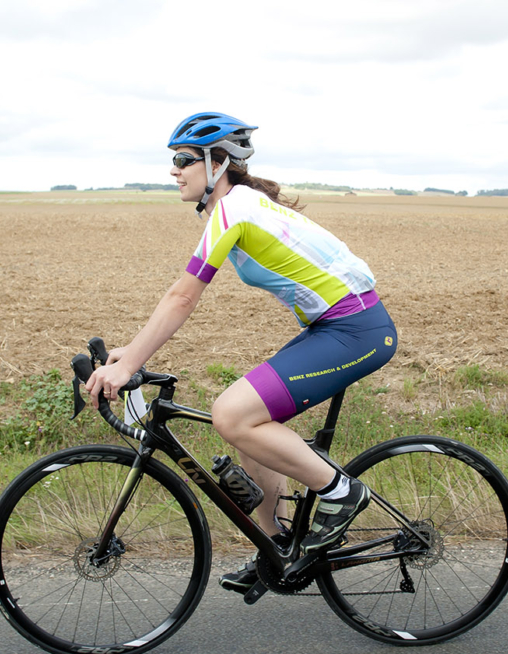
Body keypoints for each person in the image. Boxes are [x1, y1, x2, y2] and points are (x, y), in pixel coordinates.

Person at [85, 112, 397, 594]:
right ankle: (277, 548)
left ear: (218, 163)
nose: (174, 170)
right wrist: (132, 352)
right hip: (334, 327)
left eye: (183, 160)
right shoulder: (233, 208)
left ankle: (341, 492)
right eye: (174, 161)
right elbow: (179, 297)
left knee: (232, 415)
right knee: (249, 428)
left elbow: (183, 297)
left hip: (356, 330)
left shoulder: (235, 208)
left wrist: (128, 366)